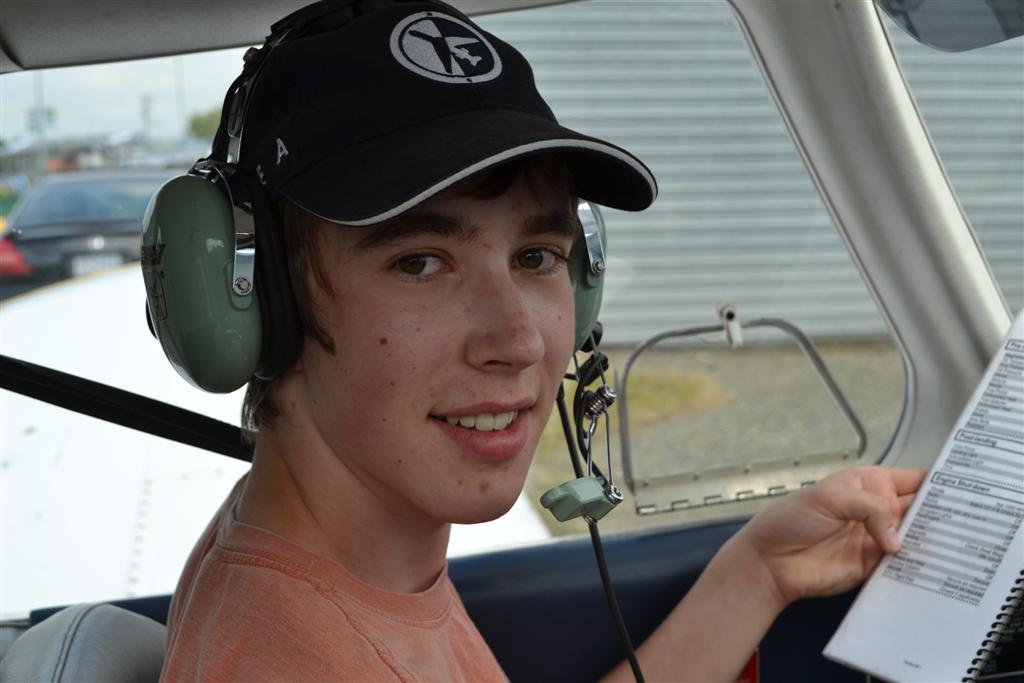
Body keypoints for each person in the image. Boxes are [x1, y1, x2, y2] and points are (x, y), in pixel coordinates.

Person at [157, 1, 925, 680]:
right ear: (257, 301)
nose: (520, 339)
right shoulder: (289, 657)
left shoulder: (352, 566)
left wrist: (758, 572)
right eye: (420, 262)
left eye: (536, 257)